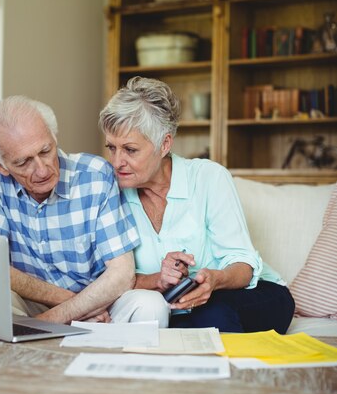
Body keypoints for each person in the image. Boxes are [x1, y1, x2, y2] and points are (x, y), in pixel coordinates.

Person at [99, 77, 295, 333]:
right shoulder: (111, 194)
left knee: (210, 312)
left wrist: (214, 279)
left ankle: (227, 371)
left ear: (164, 144)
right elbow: (112, 279)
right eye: (111, 148)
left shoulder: (208, 177)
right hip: (176, 308)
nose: (117, 162)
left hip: (252, 295)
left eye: (130, 150)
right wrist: (158, 279)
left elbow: (244, 266)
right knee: (173, 322)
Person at [0, 95, 169, 326]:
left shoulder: (95, 175)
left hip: (100, 302)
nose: (42, 170)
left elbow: (122, 275)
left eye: (45, 151)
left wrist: (50, 320)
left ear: (54, 138)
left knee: (151, 306)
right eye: (24, 162)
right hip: (39, 302)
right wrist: (69, 304)